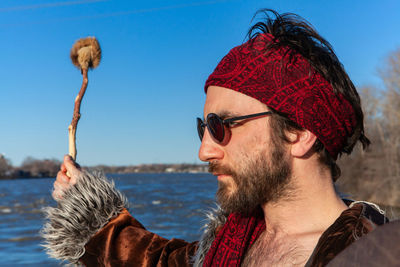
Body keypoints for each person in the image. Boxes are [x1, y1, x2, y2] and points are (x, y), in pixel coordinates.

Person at [42, 9, 388, 267]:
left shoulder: (374, 255)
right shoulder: (231, 240)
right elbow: (154, 259)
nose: (204, 150)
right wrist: (84, 206)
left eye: (222, 126)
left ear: (299, 133)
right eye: (203, 127)